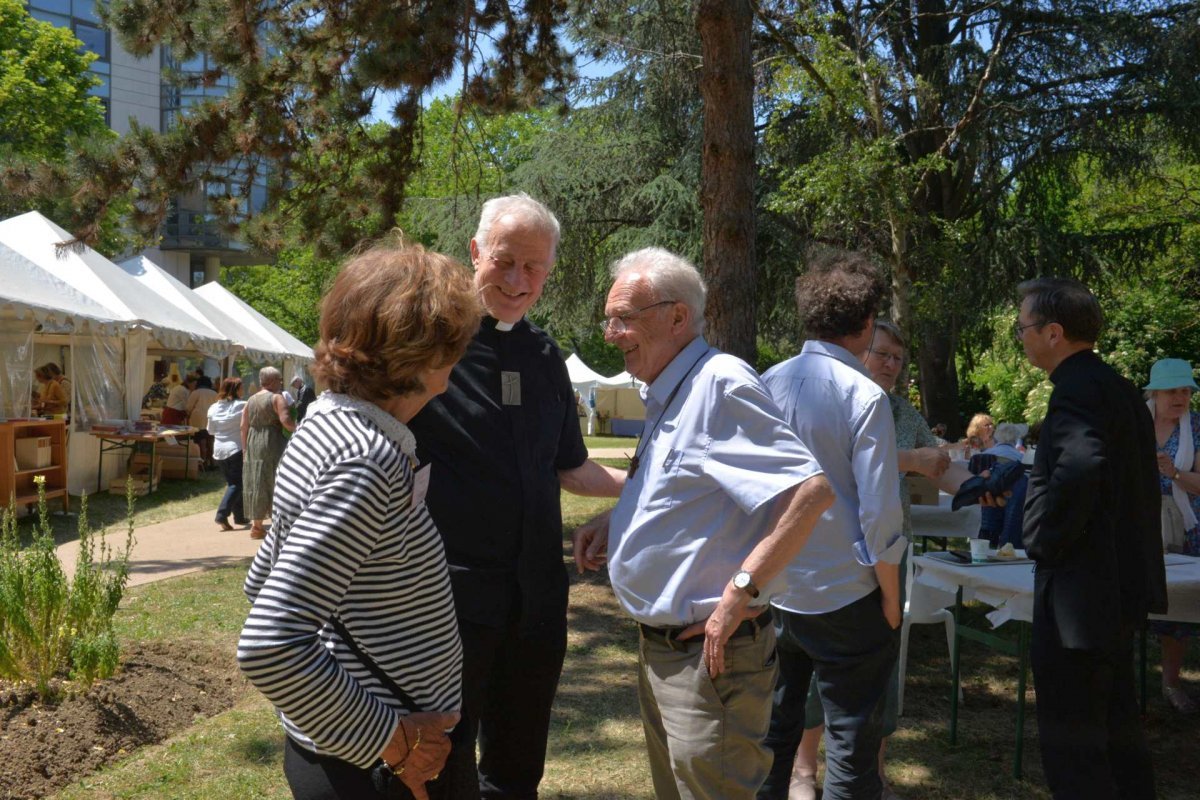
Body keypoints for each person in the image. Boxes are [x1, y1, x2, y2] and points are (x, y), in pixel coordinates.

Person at [573, 247, 834, 800]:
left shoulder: (719, 384)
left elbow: (811, 492)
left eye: (625, 318)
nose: (612, 333)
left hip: (711, 657)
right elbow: (685, 490)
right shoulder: (670, 388)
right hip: (668, 654)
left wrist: (742, 590)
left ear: (676, 317)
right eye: (610, 318)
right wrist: (615, 519)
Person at [238, 241, 480, 800]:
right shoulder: (367, 459)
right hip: (381, 769)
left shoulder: (325, 425)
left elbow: (262, 581)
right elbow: (270, 643)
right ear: (423, 358)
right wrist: (393, 742)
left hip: (358, 757)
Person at [407, 193, 626, 800]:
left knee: (518, 765)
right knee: (442, 763)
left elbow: (573, 469)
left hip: (536, 603)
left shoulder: (545, 355)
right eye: (504, 261)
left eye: (534, 268)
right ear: (475, 252)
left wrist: (655, 491)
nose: (516, 280)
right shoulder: (426, 345)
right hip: (447, 602)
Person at [787, 318, 974, 800]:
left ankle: (871, 773)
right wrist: (910, 460)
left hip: (890, 551)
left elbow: (939, 467)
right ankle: (803, 771)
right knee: (810, 675)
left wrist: (984, 490)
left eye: (898, 357)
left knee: (878, 676)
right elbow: (843, 462)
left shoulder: (899, 409)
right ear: (857, 350)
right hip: (830, 556)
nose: (891, 364)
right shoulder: (830, 397)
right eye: (882, 353)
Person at [757, 252, 906, 800]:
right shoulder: (865, 395)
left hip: (774, 589)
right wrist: (891, 599)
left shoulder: (765, 382)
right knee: (851, 749)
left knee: (772, 735)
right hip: (845, 596)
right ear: (866, 325)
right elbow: (880, 512)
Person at [1016, 277, 1165, 799]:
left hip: (1080, 601)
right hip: (1117, 591)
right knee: (1118, 734)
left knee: (1075, 748)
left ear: (1054, 332)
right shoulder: (1120, 389)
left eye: (1024, 327)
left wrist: (1039, 535)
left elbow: (1081, 468)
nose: (1021, 335)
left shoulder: (1077, 389)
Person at [1143, 357, 1200, 713]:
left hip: (1185, 522)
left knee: (1176, 607)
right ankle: (1116, 681)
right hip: (1138, 521)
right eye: (1172, 390)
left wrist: (1174, 473)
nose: (1180, 397)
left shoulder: (1195, 427)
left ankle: (1171, 683)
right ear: (1155, 393)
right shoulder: (1133, 422)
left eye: (1185, 391)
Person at [241, 366, 295, 540]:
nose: (281, 382)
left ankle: (256, 527)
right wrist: (301, 430)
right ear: (272, 381)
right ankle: (276, 525)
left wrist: (244, 449)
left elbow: (243, 426)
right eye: (279, 379)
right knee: (274, 479)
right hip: (272, 441)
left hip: (253, 442)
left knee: (256, 481)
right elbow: (286, 421)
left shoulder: (250, 400)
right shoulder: (276, 398)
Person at [208, 377, 249, 531]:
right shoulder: (243, 405)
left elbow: (210, 430)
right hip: (236, 448)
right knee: (237, 484)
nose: (243, 390)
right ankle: (222, 514)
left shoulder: (213, 408)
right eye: (241, 387)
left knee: (233, 483)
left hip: (219, 450)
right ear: (236, 389)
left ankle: (239, 516)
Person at [186, 375, 219, 469]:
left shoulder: (195, 392)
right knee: (211, 440)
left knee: (201, 441)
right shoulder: (214, 393)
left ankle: (203, 462)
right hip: (211, 418)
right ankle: (212, 462)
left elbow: (188, 407)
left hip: (198, 418)